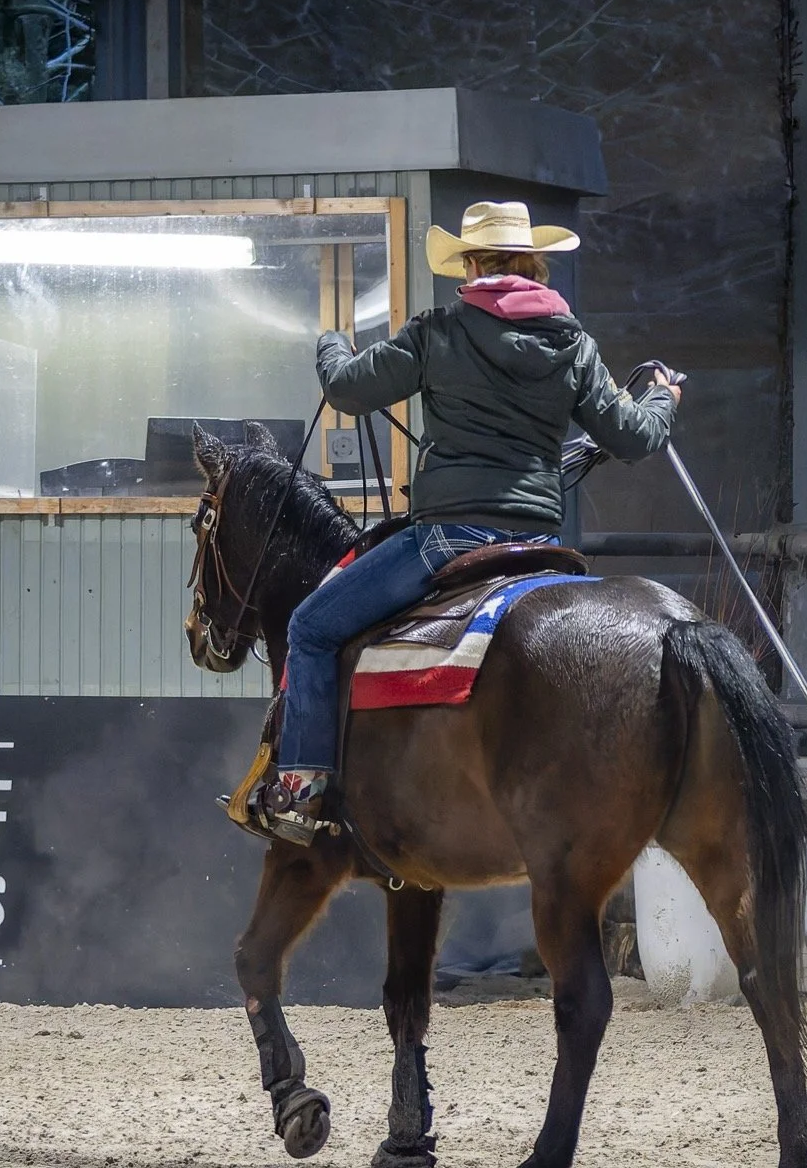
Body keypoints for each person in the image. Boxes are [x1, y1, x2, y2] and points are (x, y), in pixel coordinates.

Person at [260, 200, 680, 845]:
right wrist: (661, 397)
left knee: (310, 629)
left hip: (448, 538)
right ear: (534, 264)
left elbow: (345, 389)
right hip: (538, 542)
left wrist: (332, 341)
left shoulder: (439, 332)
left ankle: (300, 795)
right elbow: (634, 437)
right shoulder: (573, 345)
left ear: (472, 265)